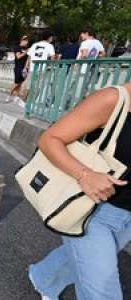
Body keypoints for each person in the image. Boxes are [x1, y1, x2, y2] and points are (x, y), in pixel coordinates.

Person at [28, 83, 131, 300]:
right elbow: (49, 139)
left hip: (127, 218)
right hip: (92, 211)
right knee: (104, 292)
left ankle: (44, 278)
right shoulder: (112, 99)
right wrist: (85, 175)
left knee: (76, 258)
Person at [22, 32, 56, 104]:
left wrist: (26, 67)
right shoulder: (50, 46)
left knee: (28, 86)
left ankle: (24, 101)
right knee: (38, 87)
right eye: (51, 38)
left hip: (32, 68)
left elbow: (29, 57)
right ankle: (31, 103)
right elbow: (53, 57)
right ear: (49, 38)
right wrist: (50, 65)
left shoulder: (35, 44)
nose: (52, 40)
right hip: (42, 69)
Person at [6, 36, 29, 103]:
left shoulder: (26, 48)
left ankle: (16, 97)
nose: (27, 42)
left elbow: (27, 58)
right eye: (25, 40)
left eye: (27, 40)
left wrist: (27, 66)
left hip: (24, 68)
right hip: (18, 67)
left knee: (20, 83)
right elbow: (18, 57)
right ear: (22, 41)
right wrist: (26, 52)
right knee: (16, 83)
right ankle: (9, 95)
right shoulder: (17, 48)